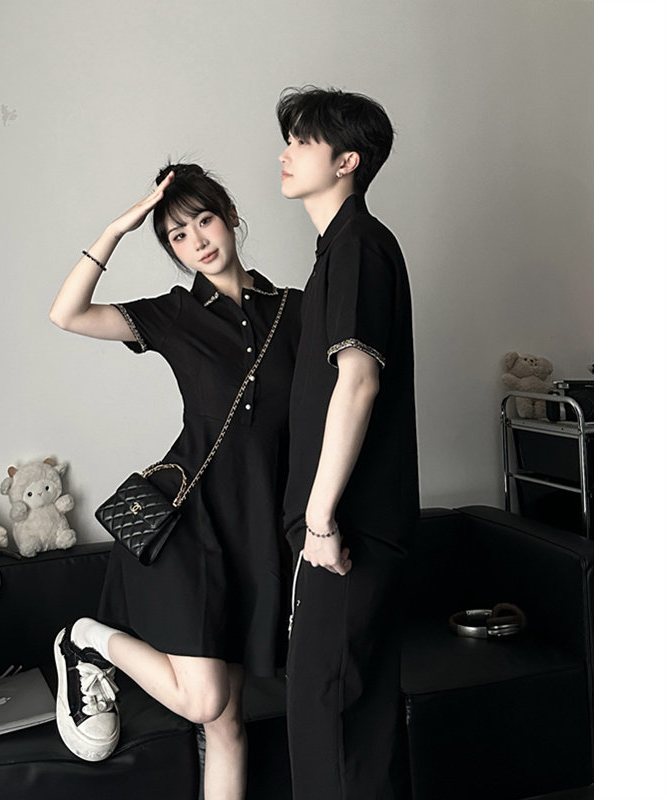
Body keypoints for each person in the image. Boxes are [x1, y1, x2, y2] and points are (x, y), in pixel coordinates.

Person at [48, 163, 301, 800]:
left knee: (228, 724)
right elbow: (67, 313)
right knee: (206, 700)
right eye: (178, 235)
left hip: (257, 532)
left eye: (204, 220)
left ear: (231, 216)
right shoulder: (176, 314)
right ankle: (85, 638)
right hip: (185, 526)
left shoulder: (296, 311)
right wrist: (117, 229)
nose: (197, 241)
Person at [276, 86, 420, 799]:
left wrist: (321, 520)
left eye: (303, 140)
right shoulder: (339, 250)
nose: (286, 152)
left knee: (331, 726)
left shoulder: (359, 245)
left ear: (347, 161)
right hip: (342, 531)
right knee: (346, 728)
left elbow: (358, 382)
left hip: (348, 533)